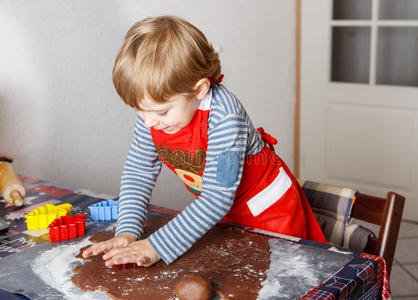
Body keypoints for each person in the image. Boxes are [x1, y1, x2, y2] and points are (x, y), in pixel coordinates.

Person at [82, 15, 326, 267]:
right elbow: (139, 171)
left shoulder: (225, 117)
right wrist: (127, 232)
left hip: (267, 210)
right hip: (220, 210)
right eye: (139, 111)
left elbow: (216, 198)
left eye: (162, 112)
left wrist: (156, 246)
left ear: (199, 89)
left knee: (278, 275)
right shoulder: (153, 113)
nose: (148, 123)